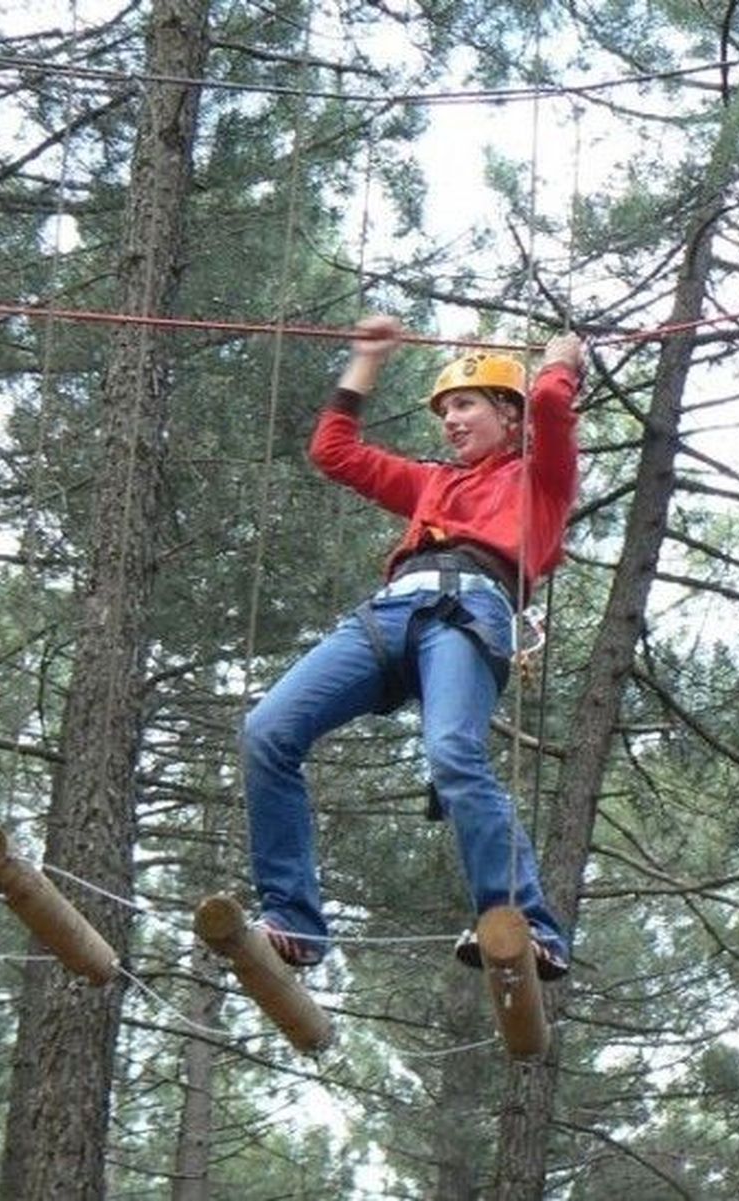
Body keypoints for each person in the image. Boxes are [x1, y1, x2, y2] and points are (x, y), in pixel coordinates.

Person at [241, 314, 584, 979]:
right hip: (389, 613)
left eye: (465, 404)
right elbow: (333, 452)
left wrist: (561, 361)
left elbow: (548, 399)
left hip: (471, 608)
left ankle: (526, 926)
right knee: (266, 731)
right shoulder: (432, 483)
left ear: (509, 415)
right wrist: (367, 359)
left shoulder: (542, 479)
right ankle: (295, 922)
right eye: (444, 409)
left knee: (454, 751)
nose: (451, 420)